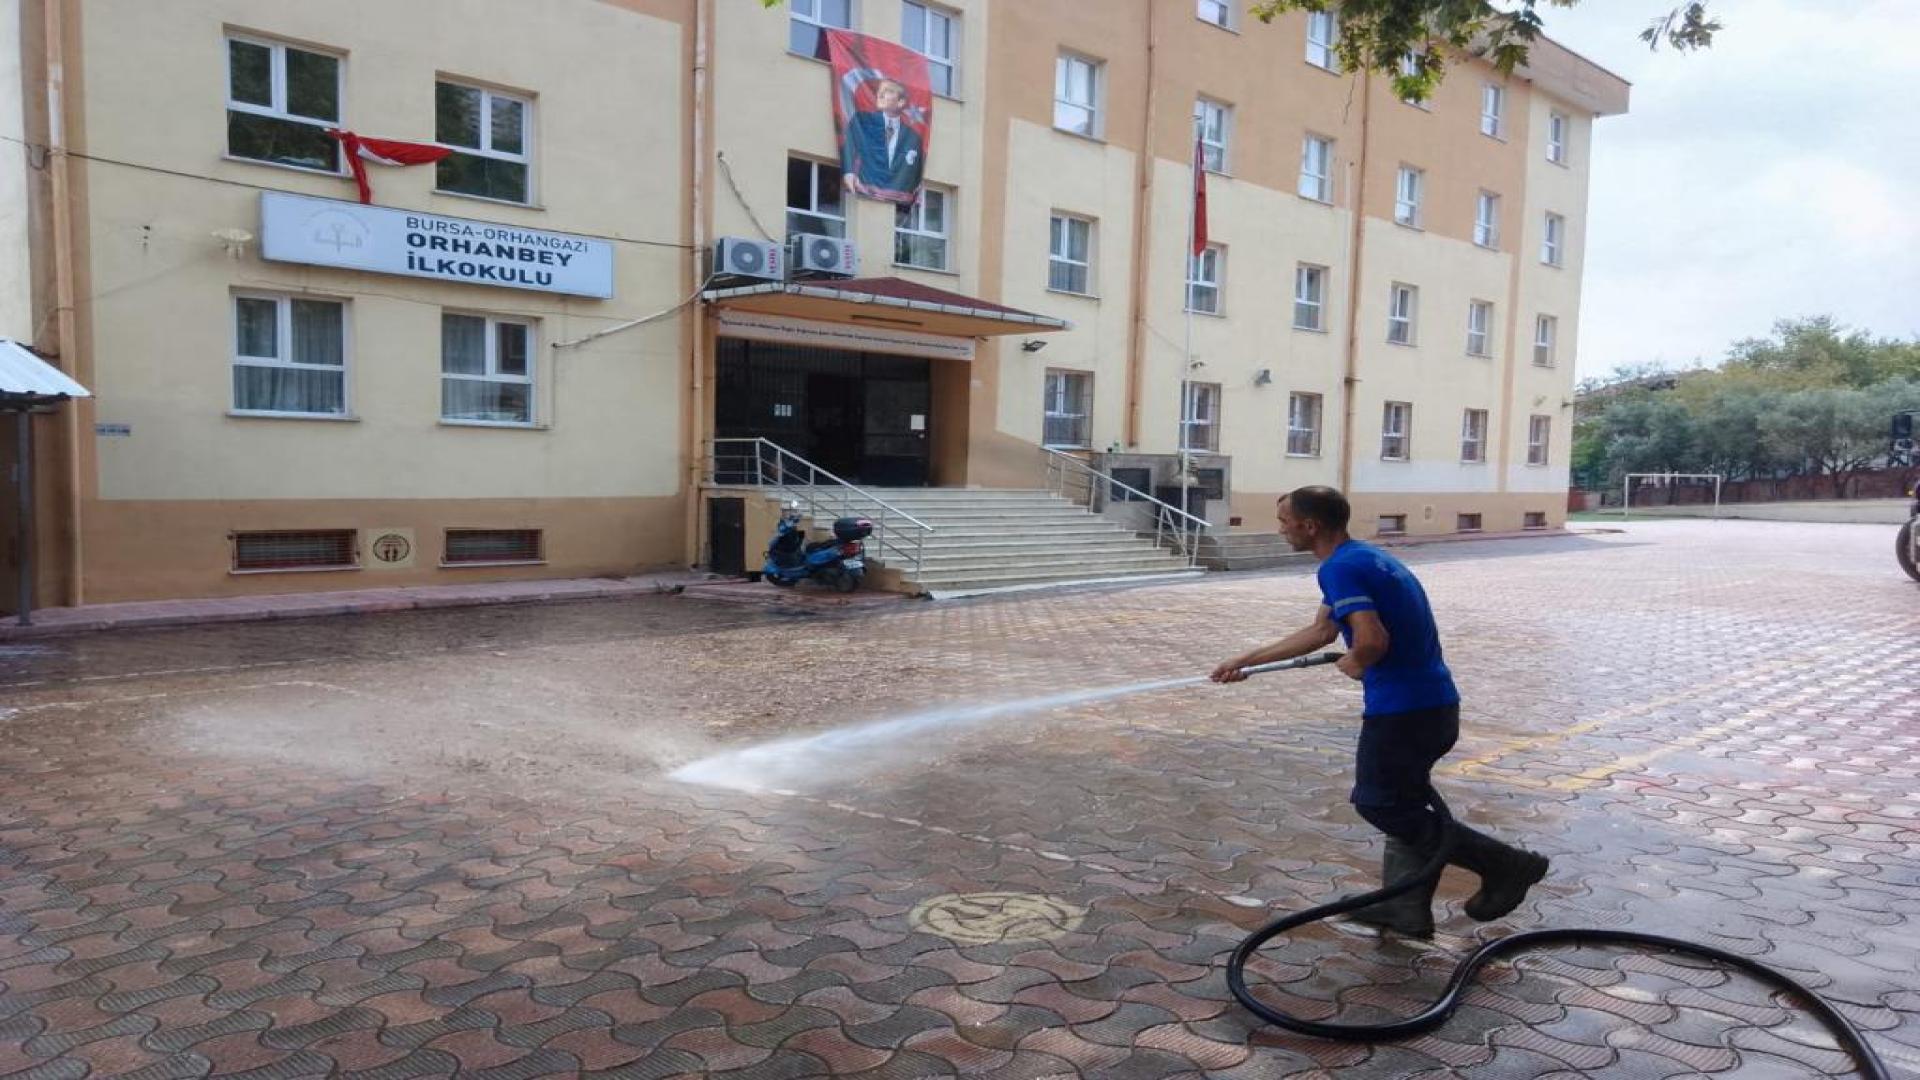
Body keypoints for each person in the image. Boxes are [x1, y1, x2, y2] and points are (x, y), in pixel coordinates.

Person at [1210, 485, 1548, 937]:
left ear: (1309, 525)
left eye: (1284, 521)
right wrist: (1246, 662)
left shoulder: (1339, 568)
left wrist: (1358, 660)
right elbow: (1321, 632)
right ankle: (1404, 908)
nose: (1281, 529)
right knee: (1402, 804)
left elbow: (1371, 640)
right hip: (1432, 706)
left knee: (1379, 805)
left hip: (1405, 712)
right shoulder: (1362, 558)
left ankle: (1507, 864)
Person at [843, 78, 923, 198]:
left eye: (888, 91)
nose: (880, 95)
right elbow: (848, 144)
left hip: (896, 198)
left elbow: (915, 174)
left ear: (901, 102)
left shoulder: (913, 137)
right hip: (863, 191)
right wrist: (849, 171)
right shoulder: (862, 120)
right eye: (880, 91)